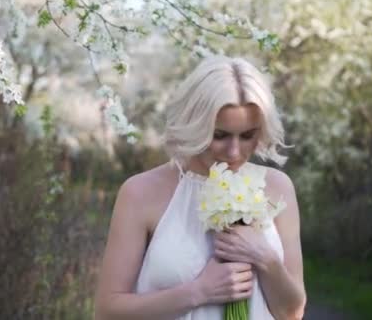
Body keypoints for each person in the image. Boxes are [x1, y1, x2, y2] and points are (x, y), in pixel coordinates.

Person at [94, 55, 306, 320]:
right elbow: (107, 312)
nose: (234, 151)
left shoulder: (277, 187)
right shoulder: (140, 193)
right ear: (195, 124)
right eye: (220, 135)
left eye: (248, 135)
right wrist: (198, 292)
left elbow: (292, 313)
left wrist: (265, 258)